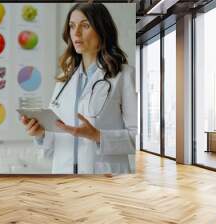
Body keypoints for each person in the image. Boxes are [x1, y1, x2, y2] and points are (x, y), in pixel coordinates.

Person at [20, 3, 137, 174]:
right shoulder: (64, 81)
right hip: (65, 177)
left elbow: (138, 138)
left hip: (105, 178)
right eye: (72, 26)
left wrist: (98, 136)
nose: (76, 33)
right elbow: (56, 138)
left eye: (85, 25)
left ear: (102, 30)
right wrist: (41, 134)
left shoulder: (123, 75)